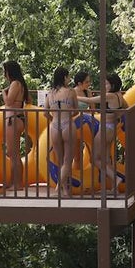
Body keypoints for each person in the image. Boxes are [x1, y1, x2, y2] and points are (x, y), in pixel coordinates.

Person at [81, 72, 127, 195]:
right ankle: (114, 189)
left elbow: (90, 100)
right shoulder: (119, 95)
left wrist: (75, 97)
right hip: (112, 128)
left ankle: (116, 178)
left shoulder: (110, 96)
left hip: (105, 128)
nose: (104, 86)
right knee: (106, 159)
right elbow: (126, 108)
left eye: (106, 84)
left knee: (94, 159)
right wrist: (117, 116)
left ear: (112, 85)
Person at [45, 66, 79, 197]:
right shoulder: (70, 92)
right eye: (68, 77)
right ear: (64, 77)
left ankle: (65, 190)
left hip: (54, 125)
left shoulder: (50, 93)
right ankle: (60, 186)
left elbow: (45, 112)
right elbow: (76, 110)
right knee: (67, 161)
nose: (69, 79)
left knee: (60, 161)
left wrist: (53, 119)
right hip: (67, 124)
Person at [0, 59, 30, 191]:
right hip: (17, 118)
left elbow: (9, 102)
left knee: (14, 154)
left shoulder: (15, 84)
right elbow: (28, 100)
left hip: (13, 119)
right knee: (13, 153)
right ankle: (13, 181)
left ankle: (17, 184)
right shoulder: (21, 84)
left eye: (5, 71)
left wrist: (3, 92)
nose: (4, 74)